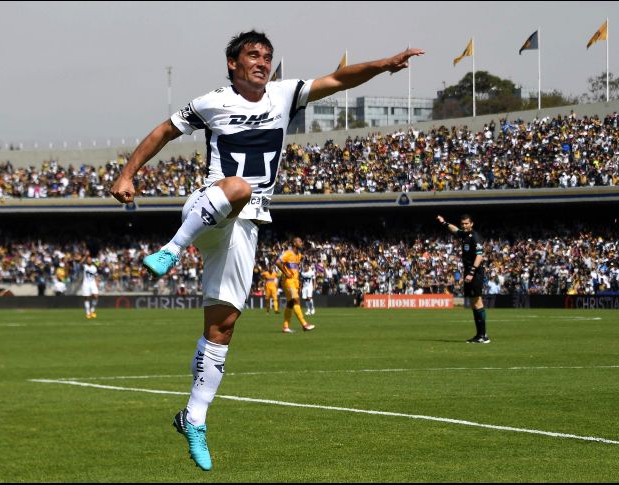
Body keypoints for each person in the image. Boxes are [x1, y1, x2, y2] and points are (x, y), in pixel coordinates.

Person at [110, 30, 424, 471]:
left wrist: (383, 65)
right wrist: (127, 174)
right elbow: (164, 130)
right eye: (252, 55)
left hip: (247, 226)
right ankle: (172, 248)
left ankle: (192, 417)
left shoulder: (284, 94)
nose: (261, 61)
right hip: (209, 205)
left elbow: (339, 80)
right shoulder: (211, 102)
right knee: (238, 186)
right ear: (233, 64)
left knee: (223, 327)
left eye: (267, 56)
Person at [437, 214, 489, 343]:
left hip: (475, 272)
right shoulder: (464, 235)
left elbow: (479, 256)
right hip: (469, 272)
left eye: (467, 223)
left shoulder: (474, 236)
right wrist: (444, 223)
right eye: (463, 223)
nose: (464, 226)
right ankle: (480, 335)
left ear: (472, 224)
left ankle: (483, 336)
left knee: (477, 302)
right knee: (473, 303)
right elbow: (455, 230)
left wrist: (471, 272)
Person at [277, 237, 315, 333]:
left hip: (295, 282)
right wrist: (285, 273)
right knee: (296, 300)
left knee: (290, 303)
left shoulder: (299, 255)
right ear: (294, 243)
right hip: (288, 281)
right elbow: (278, 262)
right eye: (300, 241)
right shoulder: (288, 253)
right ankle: (304, 324)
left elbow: (295, 269)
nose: (301, 243)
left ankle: (285, 327)